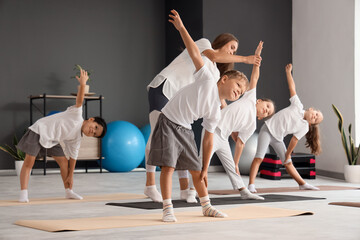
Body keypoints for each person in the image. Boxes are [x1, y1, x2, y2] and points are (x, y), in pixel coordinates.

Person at [145, 18, 262, 204]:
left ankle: (185, 190)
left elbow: (219, 100)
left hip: (177, 101)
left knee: (181, 145)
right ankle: (150, 186)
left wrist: (230, 125)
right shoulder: (205, 45)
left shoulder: (215, 72)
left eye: (235, 51)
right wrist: (247, 59)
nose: (233, 52)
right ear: (221, 43)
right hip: (165, 87)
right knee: (156, 136)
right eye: (231, 48)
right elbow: (213, 56)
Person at [186, 41, 274, 202]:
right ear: (259, 101)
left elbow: (240, 143)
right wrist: (257, 58)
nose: (266, 110)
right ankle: (192, 192)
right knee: (201, 162)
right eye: (267, 106)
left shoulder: (252, 125)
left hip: (223, 137)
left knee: (232, 168)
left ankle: (243, 191)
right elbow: (255, 76)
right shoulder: (249, 97)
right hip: (212, 130)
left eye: (267, 113)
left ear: (261, 117)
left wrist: (237, 162)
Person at [16, 68, 107, 203]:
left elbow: (73, 158)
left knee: (64, 162)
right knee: (30, 161)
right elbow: (80, 100)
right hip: (39, 130)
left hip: (53, 139)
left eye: (94, 134)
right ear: (91, 120)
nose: (92, 131)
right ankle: (23, 193)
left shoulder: (77, 139)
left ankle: (68, 191)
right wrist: (83, 85)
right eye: (95, 128)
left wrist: (71, 176)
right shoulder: (77, 115)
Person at [248, 63, 323, 193]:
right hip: (267, 129)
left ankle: (302, 183)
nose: (314, 117)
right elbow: (292, 88)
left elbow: (294, 140)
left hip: (278, 138)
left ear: (312, 124)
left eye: (316, 120)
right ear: (311, 109)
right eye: (316, 114)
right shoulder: (298, 105)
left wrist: (288, 154)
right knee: (259, 157)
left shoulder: (304, 127)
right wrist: (288, 73)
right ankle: (251, 185)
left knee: (288, 162)